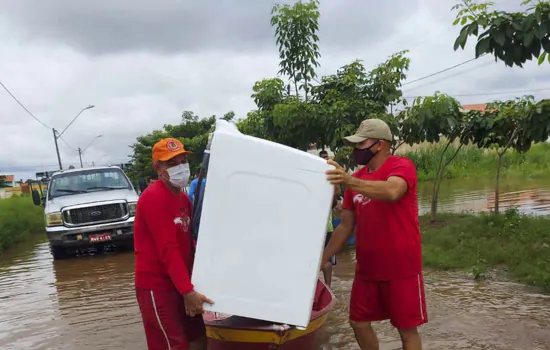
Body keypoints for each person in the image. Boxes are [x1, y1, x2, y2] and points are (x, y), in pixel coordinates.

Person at [322, 119, 427, 350]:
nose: (356, 149)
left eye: (361, 143)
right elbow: (345, 226)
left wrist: (350, 181)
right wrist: (322, 259)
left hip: (401, 267)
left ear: (379, 145)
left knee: (406, 329)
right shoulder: (358, 179)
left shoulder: (401, 166)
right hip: (367, 268)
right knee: (358, 322)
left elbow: (392, 191)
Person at [134, 137, 214, 350]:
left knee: (198, 339)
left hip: (181, 282)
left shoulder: (183, 198)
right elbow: (168, 249)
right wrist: (187, 291)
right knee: (173, 345)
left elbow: (188, 244)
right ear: (158, 168)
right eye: (171, 164)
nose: (180, 168)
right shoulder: (153, 198)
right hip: (158, 286)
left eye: (182, 161)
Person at [319, 150, 340, 287]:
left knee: (325, 259)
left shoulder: (331, 174)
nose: (326, 160)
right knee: (324, 259)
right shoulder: (319, 175)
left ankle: (328, 286)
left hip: (326, 227)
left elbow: (337, 192)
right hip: (322, 227)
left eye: (327, 157)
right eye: (323, 158)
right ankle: (327, 287)